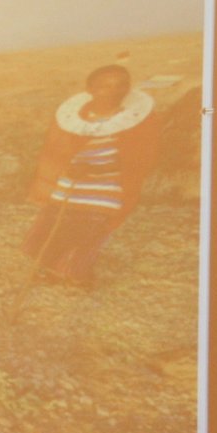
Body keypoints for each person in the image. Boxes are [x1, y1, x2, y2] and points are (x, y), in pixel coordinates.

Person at [22, 62, 161, 285]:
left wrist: (95, 169)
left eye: (121, 85)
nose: (114, 91)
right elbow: (55, 152)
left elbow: (143, 159)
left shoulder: (137, 120)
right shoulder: (74, 118)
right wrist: (66, 168)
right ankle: (49, 269)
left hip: (107, 188)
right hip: (69, 185)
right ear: (91, 90)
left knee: (90, 231)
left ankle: (76, 275)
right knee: (55, 228)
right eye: (105, 86)